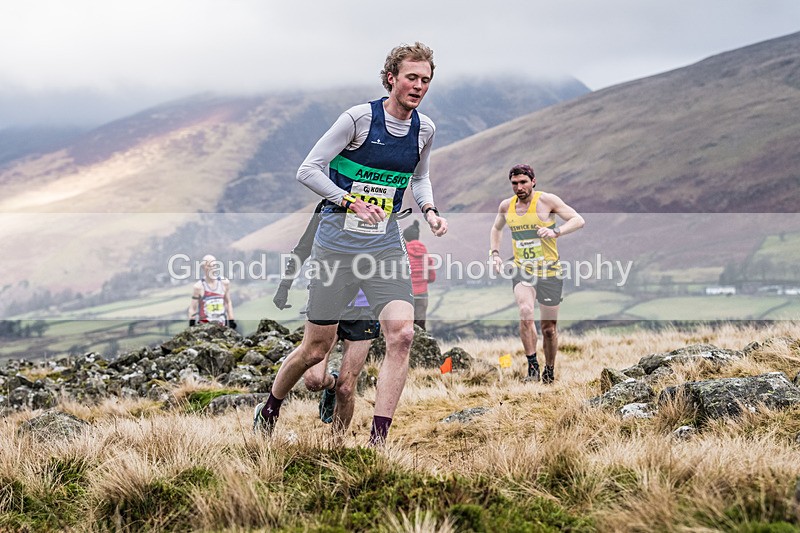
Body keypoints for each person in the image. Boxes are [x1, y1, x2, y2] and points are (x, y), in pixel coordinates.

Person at [255, 42, 447, 445]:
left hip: (383, 247)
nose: (418, 86)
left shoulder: (424, 130)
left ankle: (378, 442)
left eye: (426, 80)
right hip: (336, 246)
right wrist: (349, 201)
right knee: (315, 350)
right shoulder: (359, 119)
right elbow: (308, 169)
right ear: (391, 77)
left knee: (403, 335)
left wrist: (428, 209)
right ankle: (270, 406)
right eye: (411, 77)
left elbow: (419, 177)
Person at [272, 200, 380, 431]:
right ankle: (328, 385)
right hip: (327, 301)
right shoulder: (327, 207)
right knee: (313, 381)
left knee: (346, 388)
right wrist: (284, 285)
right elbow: (303, 248)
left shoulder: (380, 206)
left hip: (363, 307)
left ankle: (335, 447)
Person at [489, 164, 584, 384]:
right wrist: (495, 254)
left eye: (523, 182)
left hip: (550, 271)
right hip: (523, 270)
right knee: (525, 311)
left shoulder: (547, 201)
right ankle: (532, 368)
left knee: (549, 329)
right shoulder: (507, 206)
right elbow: (496, 228)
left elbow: (578, 220)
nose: (519, 187)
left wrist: (555, 231)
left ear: (533, 181)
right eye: (514, 183)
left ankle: (549, 370)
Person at [403, 220, 436, 330]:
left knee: (406, 324)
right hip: (422, 293)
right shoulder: (425, 252)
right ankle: (422, 344)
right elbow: (431, 276)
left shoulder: (404, 253)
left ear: (405, 239)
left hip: (407, 293)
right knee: (420, 324)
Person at [188, 254, 237, 329]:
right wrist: (191, 324)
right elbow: (192, 308)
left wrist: (231, 320)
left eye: (214, 265)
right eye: (208, 266)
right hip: (204, 326)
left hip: (222, 325)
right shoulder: (198, 287)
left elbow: (228, 302)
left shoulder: (224, 283)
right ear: (203, 267)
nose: (212, 268)